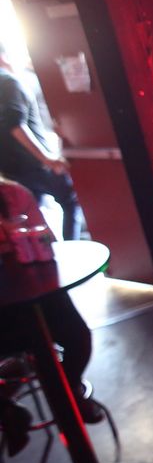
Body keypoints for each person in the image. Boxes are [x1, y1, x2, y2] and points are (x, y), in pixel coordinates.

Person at [0, 176, 102, 424]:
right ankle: (9, 412)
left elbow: (47, 244)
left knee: (77, 337)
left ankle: (68, 391)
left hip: (38, 298)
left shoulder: (14, 194)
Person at [0, 41, 82, 240]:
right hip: (34, 163)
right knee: (70, 202)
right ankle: (69, 250)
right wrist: (46, 158)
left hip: (9, 167)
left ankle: (48, 252)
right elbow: (16, 125)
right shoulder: (9, 83)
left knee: (32, 216)